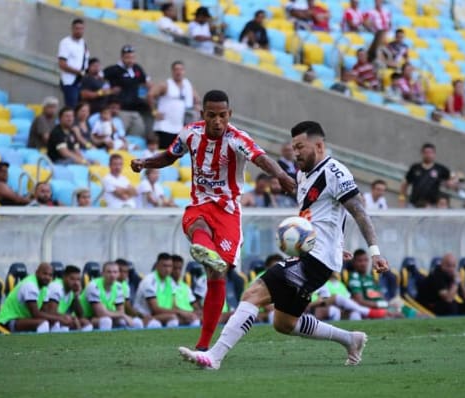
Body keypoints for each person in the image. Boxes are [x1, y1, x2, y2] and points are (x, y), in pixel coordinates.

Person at [178, 120, 389, 369]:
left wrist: (374, 252)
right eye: (293, 147)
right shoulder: (302, 175)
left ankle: (214, 357)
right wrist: (335, 244)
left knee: (252, 294)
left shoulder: (335, 172)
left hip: (315, 258)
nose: (296, 153)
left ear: (319, 145)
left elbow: (358, 211)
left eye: (300, 147)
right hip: (316, 254)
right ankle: (350, 339)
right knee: (284, 323)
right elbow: (322, 215)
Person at [131, 90, 295, 351]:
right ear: (202, 115)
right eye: (211, 115)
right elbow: (170, 155)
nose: (217, 121)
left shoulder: (237, 138)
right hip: (200, 204)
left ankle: (204, 344)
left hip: (228, 212)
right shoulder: (190, 133)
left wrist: (282, 175)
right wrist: (145, 162)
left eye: (222, 115)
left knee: (217, 273)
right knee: (197, 226)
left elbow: (260, 158)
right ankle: (203, 247)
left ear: (229, 115)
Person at [0, 263, 68, 333]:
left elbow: (45, 312)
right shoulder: (30, 285)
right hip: (9, 321)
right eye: (45, 274)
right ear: (37, 272)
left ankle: (57, 345)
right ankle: (40, 345)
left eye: (50, 275)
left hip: (25, 319)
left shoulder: (45, 288)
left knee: (57, 323)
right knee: (44, 323)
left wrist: (63, 318)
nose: (47, 277)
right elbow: (35, 314)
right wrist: (59, 318)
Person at [148, 61, 201, 149]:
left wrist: (197, 106)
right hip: (164, 126)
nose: (178, 72)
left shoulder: (187, 86)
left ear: (184, 71)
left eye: (181, 69)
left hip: (178, 128)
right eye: (176, 69)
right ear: (172, 71)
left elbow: (197, 99)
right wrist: (154, 112)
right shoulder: (166, 84)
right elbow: (150, 95)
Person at [103, 45, 152, 138]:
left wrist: (151, 93)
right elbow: (99, 80)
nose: (130, 60)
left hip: (135, 110)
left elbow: (147, 83)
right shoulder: (114, 70)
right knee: (119, 135)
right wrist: (109, 91)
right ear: (122, 57)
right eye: (127, 57)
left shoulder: (137, 68)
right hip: (121, 110)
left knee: (138, 134)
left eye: (132, 57)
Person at [80, 261, 142, 330]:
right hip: (86, 318)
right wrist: (123, 315)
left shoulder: (119, 287)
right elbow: (101, 314)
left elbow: (121, 311)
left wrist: (122, 315)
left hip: (109, 316)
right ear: (102, 273)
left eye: (115, 272)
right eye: (109, 272)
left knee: (136, 322)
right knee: (106, 321)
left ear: (118, 274)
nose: (112, 275)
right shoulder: (93, 286)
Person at [133, 253, 181, 328]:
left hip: (161, 315)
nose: (167, 269)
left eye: (170, 266)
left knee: (193, 319)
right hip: (144, 317)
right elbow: (155, 309)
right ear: (157, 266)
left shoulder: (171, 281)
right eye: (164, 266)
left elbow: (174, 305)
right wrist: (180, 312)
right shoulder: (149, 281)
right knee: (158, 324)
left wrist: (188, 314)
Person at [42, 265, 93, 331]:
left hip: (60, 319)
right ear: (64, 277)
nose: (76, 282)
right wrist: (72, 318)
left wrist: (76, 295)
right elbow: (51, 313)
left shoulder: (72, 290)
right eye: (72, 279)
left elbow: (80, 315)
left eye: (78, 279)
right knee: (65, 323)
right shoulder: (56, 287)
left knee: (85, 323)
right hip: (47, 320)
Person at [399, 143, 451, 208]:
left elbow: (451, 180)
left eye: (430, 153)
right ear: (422, 154)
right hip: (413, 205)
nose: (428, 155)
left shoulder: (440, 169)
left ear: (434, 154)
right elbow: (404, 185)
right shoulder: (415, 167)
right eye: (426, 152)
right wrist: (402, 199)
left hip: (432, 206)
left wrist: (453, 181)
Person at [57, 18, 89, 108]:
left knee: (81, 107)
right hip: (69, 81)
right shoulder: (66, 42)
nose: (79, 31)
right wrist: (78, 72)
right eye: (76, 28)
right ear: (72, 29)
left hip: (80, 81)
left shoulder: (83, 43)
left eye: (81, 29)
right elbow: (62, 64)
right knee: (71, 107)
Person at [171, 254, 202, 326]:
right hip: (178, 315)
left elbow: (195, 305)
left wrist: (198, 312)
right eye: (175, 268)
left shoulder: (185, 286)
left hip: (190, 315)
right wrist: (187, 313)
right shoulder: (167, 284)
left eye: (180, 268)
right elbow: (173, 307)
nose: (177, 271)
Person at [116, 259, 147, 325]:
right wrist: (140, 316)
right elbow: (127, 308)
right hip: (106, 315)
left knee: (138, 322)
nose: (124, 274)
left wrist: (140, 316)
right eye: (121, 271)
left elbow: (127, 306)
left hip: (120, 315)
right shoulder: (108, 284)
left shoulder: (125, 285)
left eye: (126, 272)